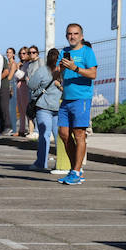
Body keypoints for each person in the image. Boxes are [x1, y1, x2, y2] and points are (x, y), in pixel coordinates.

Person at [56, 22, 98, 185]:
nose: (72, 36)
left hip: (81, 98)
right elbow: (57, 74)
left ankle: (76, 171)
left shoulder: (87, 52)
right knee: (64, 134)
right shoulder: (64, 52)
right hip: (66, 98)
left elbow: (93, 74)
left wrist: (75, 68)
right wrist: (59, 69)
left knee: (79, 134)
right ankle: (75, 169)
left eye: (75, 34)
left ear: (81, 36)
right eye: (69, 34)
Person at [26, 48, 62, 170]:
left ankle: (41, 163)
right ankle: (61, 164)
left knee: (44, 136)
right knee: (59, 137)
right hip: (59, 106)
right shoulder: (64, 71)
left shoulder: (42, 70)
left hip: (44, 107)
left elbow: (31, 85)